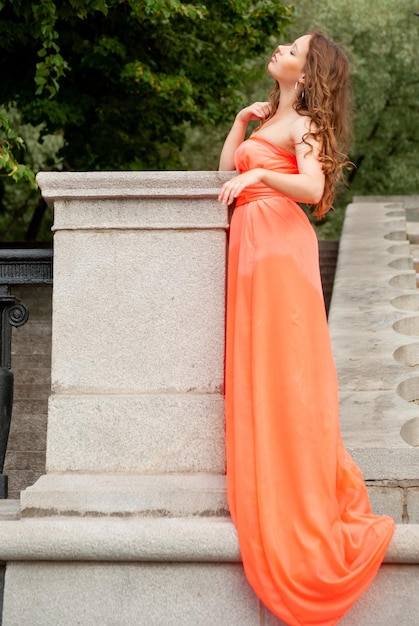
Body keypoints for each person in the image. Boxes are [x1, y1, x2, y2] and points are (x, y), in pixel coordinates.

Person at [218, 31, 395, 626]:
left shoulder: (306, 126)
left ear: (307, 67)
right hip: (252, 245)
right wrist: (240, 127)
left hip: (279, 251)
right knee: (253, 369)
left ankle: (302, 500)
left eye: (291, 47)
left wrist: (260, 180)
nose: (278, 49)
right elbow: (222, 176)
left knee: (283, 370)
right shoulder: (269, 118)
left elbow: (313, 190)